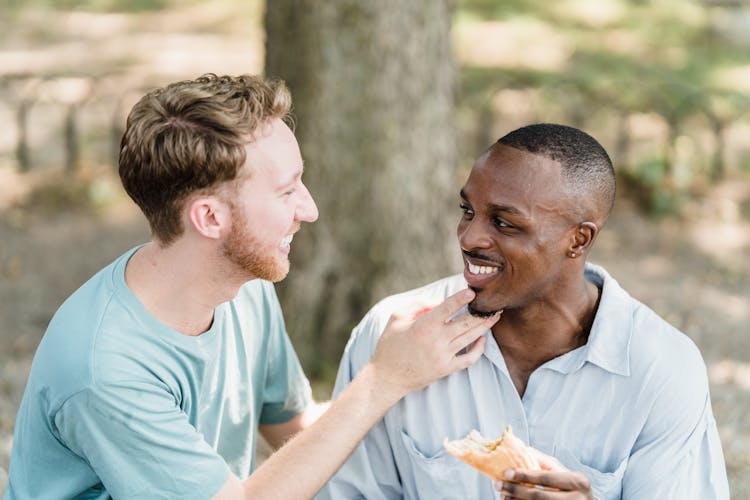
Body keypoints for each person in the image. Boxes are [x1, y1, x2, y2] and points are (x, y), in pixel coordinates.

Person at [4, 74, 501, 500]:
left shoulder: (244, 285)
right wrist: (382, 379)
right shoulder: (106, 370)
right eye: (286, 191)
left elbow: (296, 429)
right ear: (210, 217)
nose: (309, 209)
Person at [320, 123, 730, 500]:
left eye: (504, 223)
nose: (470, 236)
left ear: (578, 240)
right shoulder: (395, 335)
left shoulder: (661, 369)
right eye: (468, 211)